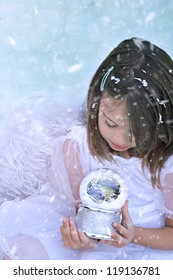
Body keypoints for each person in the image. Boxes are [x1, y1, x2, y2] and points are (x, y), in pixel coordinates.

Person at [0, 37, 173, 260]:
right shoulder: (78, 149)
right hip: (97, 254)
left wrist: (134, 235)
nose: (120, 139)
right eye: (111, 123)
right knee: (25, 251)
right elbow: (82, 214)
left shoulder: (166, 165)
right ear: (96, 100)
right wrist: (82, 239)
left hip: (148, 249)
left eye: (138, 133)